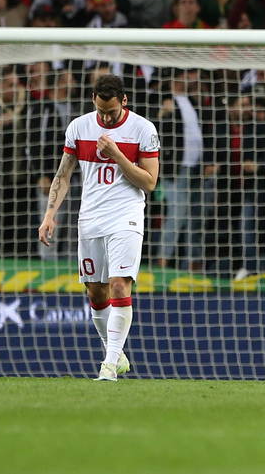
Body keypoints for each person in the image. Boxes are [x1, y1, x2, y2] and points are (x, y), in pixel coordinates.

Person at [37, 74, 161, 381]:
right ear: (93, 99)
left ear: (124, 101)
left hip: (126, 216)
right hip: (90, 218)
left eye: (112, 111)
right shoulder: (79, 127)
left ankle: (108, 365)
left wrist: (117, 154)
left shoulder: (143, 129)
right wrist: (50, 214)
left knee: (119, 285)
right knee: (96, 292)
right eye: (101, 111)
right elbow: (63, 175)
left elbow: (149, 182)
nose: (105, 118)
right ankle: (116, 354)